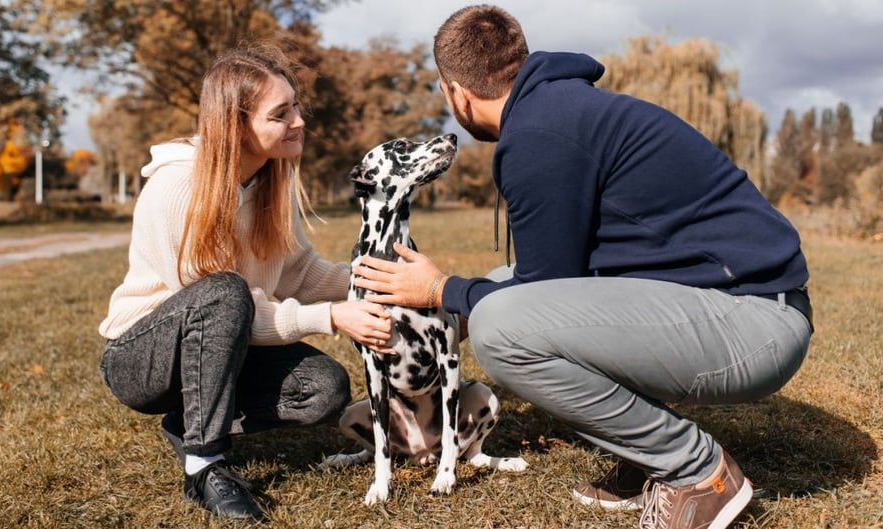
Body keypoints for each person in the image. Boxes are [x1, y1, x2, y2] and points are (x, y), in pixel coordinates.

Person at [352, 5, 813, 529]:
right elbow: (544, 280)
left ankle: (696, 472)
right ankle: (646, 459)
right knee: (502, 290)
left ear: (454, 91)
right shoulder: (559, 110)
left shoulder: (538, 136)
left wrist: (442, 289)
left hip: (754, 324)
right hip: (747, 306)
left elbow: (539, 295)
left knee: (501, 329)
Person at [98, 46, 392, 522]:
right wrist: (332, 318)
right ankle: (204, 465)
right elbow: (222, 306)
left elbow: (298, 272)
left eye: (295, 106)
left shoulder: (269, 179)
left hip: (221, 347)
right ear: (235, 125)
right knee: (225, 291)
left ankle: (188, 422)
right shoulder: (177, 187)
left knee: (322, 388)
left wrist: (373, 282)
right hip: (142, 360)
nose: (299, 121)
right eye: (281, 113)